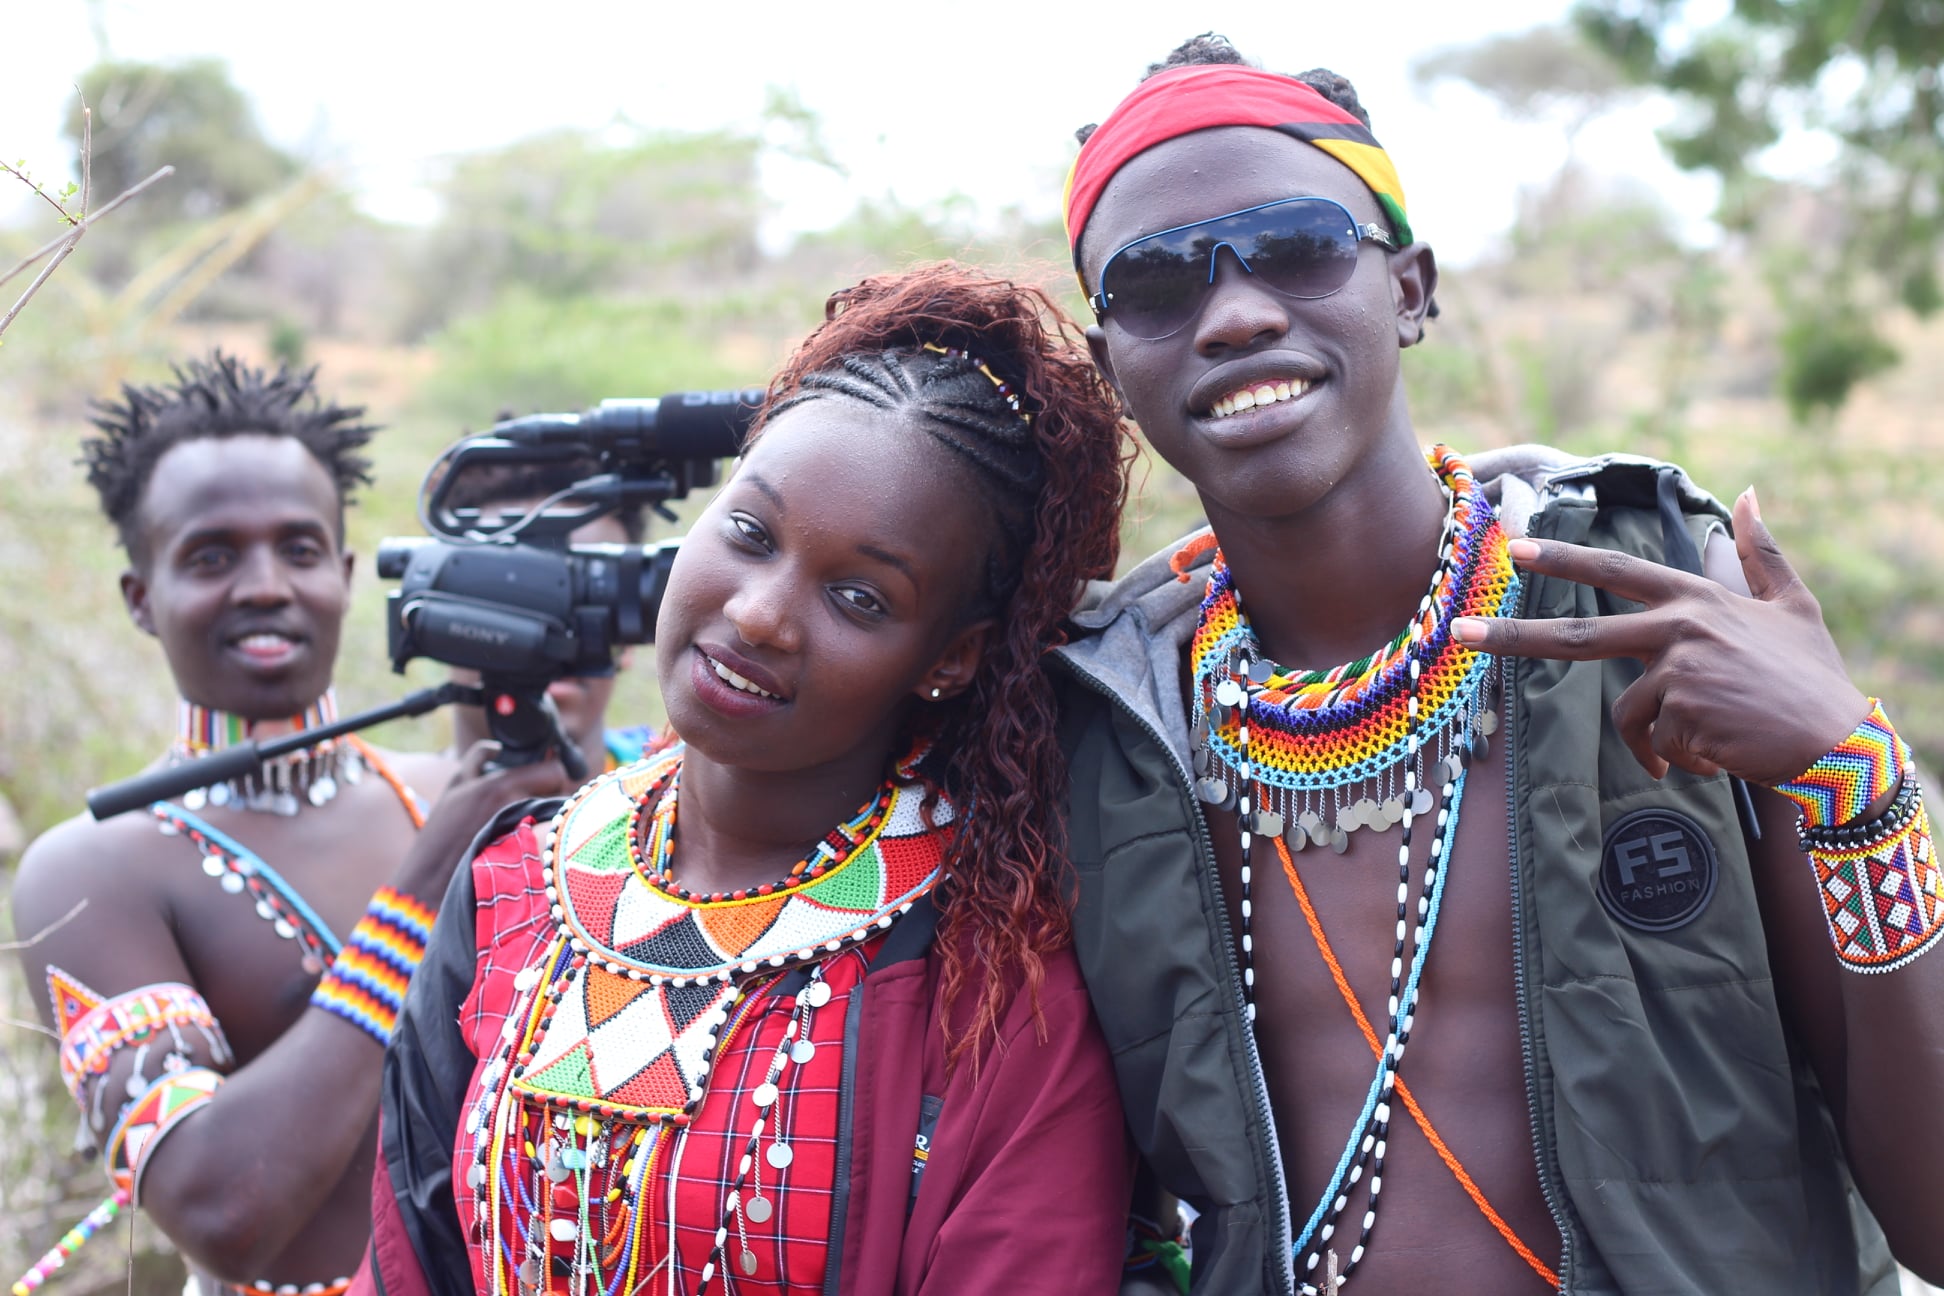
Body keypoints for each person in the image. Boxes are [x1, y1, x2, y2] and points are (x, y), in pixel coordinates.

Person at [1053, 34, 1944, 1296]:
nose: (1238, 313)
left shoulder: (1660, 593)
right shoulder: (1112, 728)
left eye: (1301, 248)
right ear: (1111, 370)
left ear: (1411, 289)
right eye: (1154, 284)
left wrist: (1857, 776)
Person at [360, 263, 1138, 1296]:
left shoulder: (995, 980)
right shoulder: (514, 885)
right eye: (749, 535)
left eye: (860, 597)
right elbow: (408, 1265)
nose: (762, 614)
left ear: (953, 655)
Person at [9, 353, 569, 1296]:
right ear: (140, 599)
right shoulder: (94, 869)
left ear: (346, 575)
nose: (266, 585)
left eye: (299, 549)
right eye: (212, 555)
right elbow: (224, 1215)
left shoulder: (462, 793)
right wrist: (419, 898)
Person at [433, 455, 658, 770]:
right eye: (509, 598)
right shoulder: (370, 809)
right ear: (436, 620)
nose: (551, 634)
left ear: (632, 628)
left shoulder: (689, 797)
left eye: (586, 598)